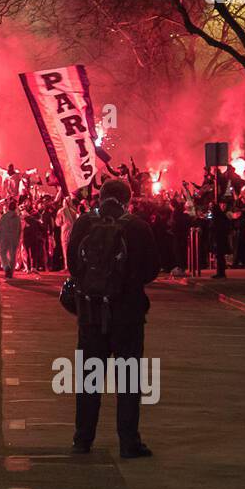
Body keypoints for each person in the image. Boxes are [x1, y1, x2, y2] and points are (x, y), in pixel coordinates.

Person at [67, 179, 157, 459]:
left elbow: (72, 264)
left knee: (89, 379)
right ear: (127, 200)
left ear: (100, 196)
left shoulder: (83, 223)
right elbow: (152, 269)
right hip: (127, 315)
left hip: (92, 314)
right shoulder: (137, 226)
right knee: (129, 380)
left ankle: (83, 439)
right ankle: (129, 442)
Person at [0, 201, 22, 279]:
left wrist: (0, 237)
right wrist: (18, 239)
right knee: (13, 255)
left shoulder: (4, 216)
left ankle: (6, 267)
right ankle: (11, 272)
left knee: (2, 253)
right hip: (14, 238)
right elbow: (19, 230)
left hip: (4, 237)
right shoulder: (17, 218)